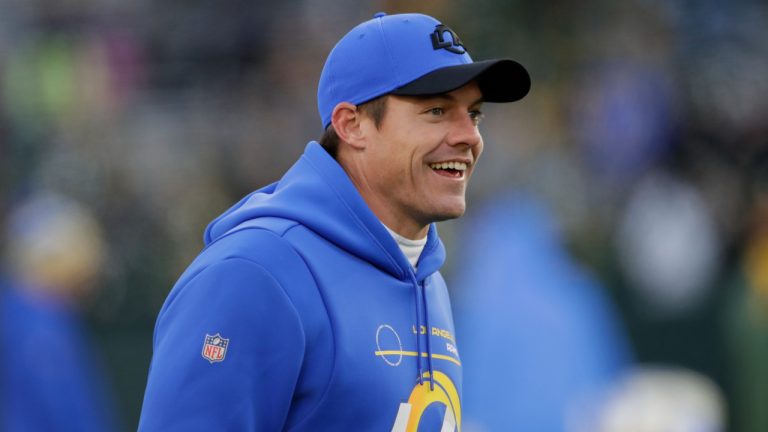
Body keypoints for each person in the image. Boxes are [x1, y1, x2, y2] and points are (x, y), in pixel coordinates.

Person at [138, 12, 530, 431]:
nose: (469, 136)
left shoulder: (429, 280)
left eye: (474, 114)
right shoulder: (255, 272)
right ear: (351, 125)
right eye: (436, 110)